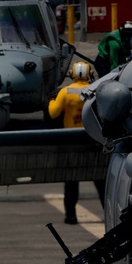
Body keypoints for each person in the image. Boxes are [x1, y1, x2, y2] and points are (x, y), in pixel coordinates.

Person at [48, 61, 104, 223]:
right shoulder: (95, 92)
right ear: (89, 74)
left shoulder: (66, 92)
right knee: (100, 179)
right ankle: (108, 211)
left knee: (71, 179)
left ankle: (71, 215)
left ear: (72, 74)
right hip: (92, 138)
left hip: (71, 139)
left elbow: (53, 113)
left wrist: (51, 101)